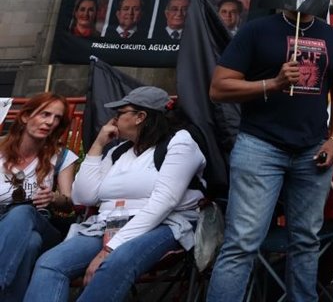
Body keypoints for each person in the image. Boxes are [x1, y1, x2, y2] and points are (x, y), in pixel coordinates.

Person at [206, 0, 333, 302]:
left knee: (306, 241)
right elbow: (219, 88)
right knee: (242, 242)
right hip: (260, 147)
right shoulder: (258, 29)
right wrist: (272, 83)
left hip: (311, 151)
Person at [24, 86, 205, 302]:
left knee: (116, 262)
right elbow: (84, 196)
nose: (113, 118)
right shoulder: (119, 150)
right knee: (50, 263)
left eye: (120, 113)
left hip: (163, 224)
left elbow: (164, 202)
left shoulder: (180, 142)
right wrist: (98, 144)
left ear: (140, 117)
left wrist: (110, 249)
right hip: (108, 224)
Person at [0, 93, 77, 302]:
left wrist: (53, 197)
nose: (50, 122)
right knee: (29, 243)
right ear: (25, 117)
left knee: (23, 212)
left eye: (57, 118)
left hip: (42, 224)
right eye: (45, 114)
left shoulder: (61, 156)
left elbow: (69, 201)